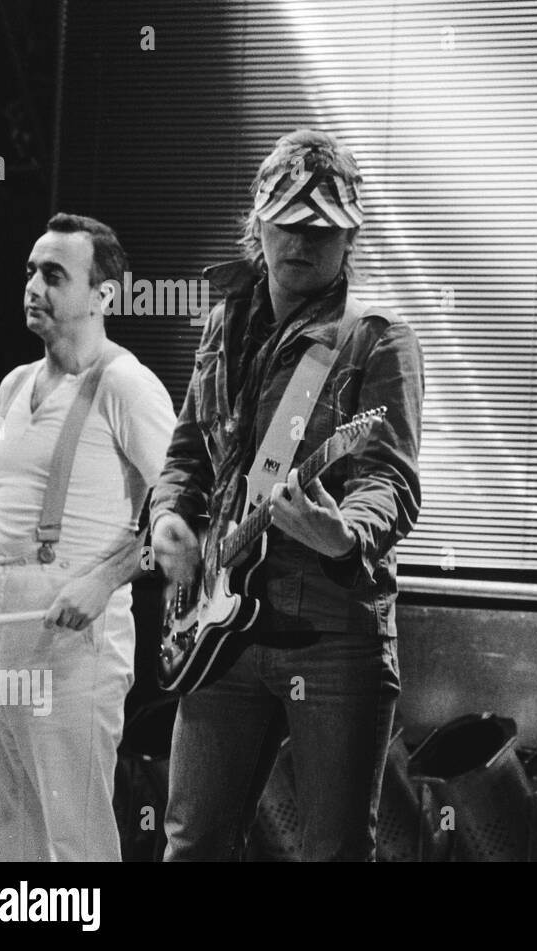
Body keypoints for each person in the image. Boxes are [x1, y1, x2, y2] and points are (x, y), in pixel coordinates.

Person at [150, 129, 424, 861]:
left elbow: (389, 479)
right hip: (220, 630)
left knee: (333, 850)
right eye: (287, 223)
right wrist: (170, 515)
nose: (301, 241)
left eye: (320, 228)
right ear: (258, 225)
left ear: (349, 237)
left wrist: (345, 532)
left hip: (332, 632)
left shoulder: (376, 338)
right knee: (192, 841)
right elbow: (187, 454)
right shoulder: (223, 325)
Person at [0, 213, 176, 861]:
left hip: (72, 643)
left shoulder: (127, 385)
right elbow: (3, 520)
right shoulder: (12, 386)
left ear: (104, 295)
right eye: (29, 271)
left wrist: (103, 577)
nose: (33, 286)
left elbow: (186, 515)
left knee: (73, 840)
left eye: (53, 274)